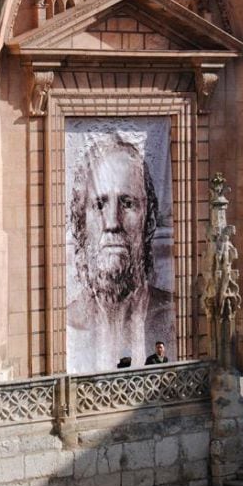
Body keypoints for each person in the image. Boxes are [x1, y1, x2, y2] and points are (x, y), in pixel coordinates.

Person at [66, 135, 174, 372]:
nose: (112, 222)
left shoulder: (169, 313)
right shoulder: (67, 323)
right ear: (79, 223)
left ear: (150, 218)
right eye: (99, 205)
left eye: (127, 203)